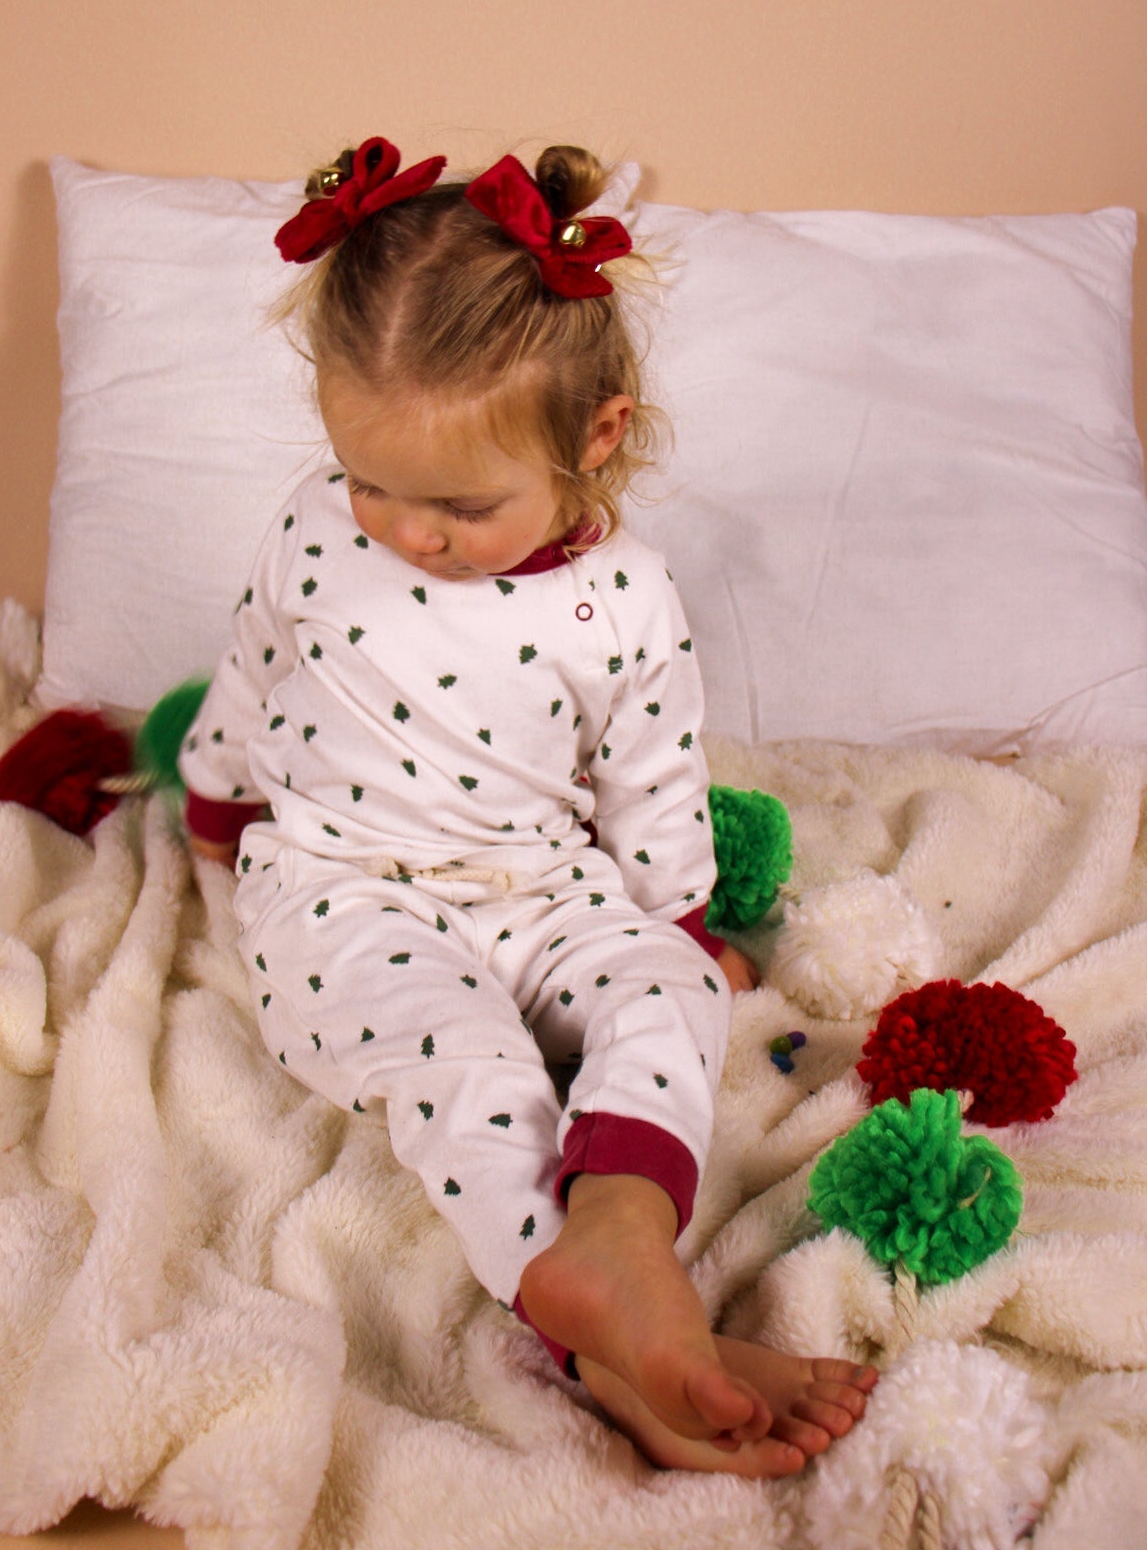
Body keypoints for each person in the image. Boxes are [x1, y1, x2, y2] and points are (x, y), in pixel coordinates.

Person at [180, 137, 877, 1474]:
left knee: (669, 993)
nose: (405, 531)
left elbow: (654, 778)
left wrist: (675, 925)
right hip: (343, 896)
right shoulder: (312, 529)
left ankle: (619, 1228)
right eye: (371, 482)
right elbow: (254, 664)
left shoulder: (624, 598)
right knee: (468, 1063)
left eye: (460, 503)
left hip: (544, 892)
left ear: (595, 436)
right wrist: (218, 802)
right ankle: (599, 1334)